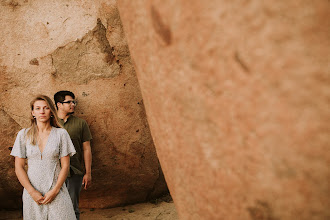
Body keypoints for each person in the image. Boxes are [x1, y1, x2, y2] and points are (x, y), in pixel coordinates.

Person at [10, 95, 76, 219]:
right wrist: (31, 192)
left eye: (46, 108)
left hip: (57, 190)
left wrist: (55, 190)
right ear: (33, 112)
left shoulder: (61, 134)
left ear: (51, 111)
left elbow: (65, 165)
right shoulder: (23, 135)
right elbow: (18, 167)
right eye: (38, 108)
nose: (42, 111)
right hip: (32, 193)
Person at [54, 90, 92, 220]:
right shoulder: (50, 122)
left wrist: (88, 172)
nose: (73, 104)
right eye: (69, 102)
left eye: (73, 102)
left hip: (74, 171)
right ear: (59, 104)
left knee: (72, 207)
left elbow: (86, 149)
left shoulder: (81, 123)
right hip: (53, 172)